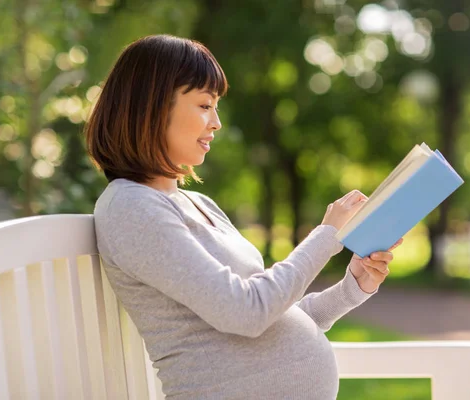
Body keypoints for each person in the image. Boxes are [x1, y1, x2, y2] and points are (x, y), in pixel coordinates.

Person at [85, 34, 402, 400]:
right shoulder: (131, 207)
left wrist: (352, 288)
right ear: (151, 107)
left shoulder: (195, 203)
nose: (216, 122)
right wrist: (327, 234)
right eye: (205, 105)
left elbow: (272, 315)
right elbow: (246, 313)